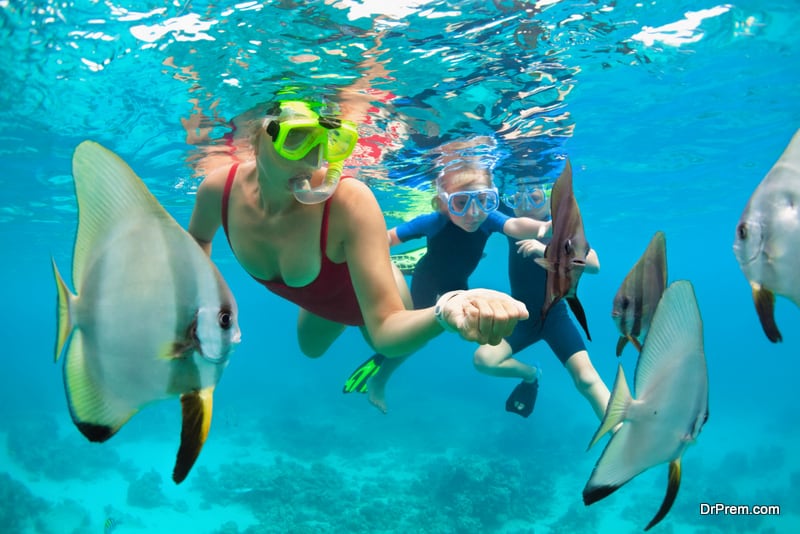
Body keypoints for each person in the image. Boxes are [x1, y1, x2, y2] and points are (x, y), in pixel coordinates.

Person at [187, 99, 529, 414]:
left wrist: (446, 309)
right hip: (322, 294)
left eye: (327, 142)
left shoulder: (348, 201)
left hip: (368, 297)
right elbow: (199, 240)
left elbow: (387, 332)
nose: (313, 161)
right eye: (296, 139)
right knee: (310, 349)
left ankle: (383, 270)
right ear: (256, 139)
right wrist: (201, 305)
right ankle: (370, 263)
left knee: (393, 348)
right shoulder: (220, 188)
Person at [344, 153, 548, 396]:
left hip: (457, 284)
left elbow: (514, 227)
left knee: (448, 327)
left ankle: (383, 369)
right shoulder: (434, 221)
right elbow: (388, 238)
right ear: (443, 202)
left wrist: (545, 227)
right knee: (418, 336)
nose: (474, 212)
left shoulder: (487, 218)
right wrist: (356, 252)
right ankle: (381, 375)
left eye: (484, 200)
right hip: (427, 280)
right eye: (461, 203)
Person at [472, 165, 610, 420]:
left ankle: (620, 433)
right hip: (521, 316)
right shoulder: (513, 218)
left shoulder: (562, 228)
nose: (524, 205)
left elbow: (595, 265)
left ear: (549, 201)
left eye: (534, 198)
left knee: (586, 379)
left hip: (554, 318)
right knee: (484, 360)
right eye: (516, 197)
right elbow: (477, 203)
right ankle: (530, 374)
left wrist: (544, 250)